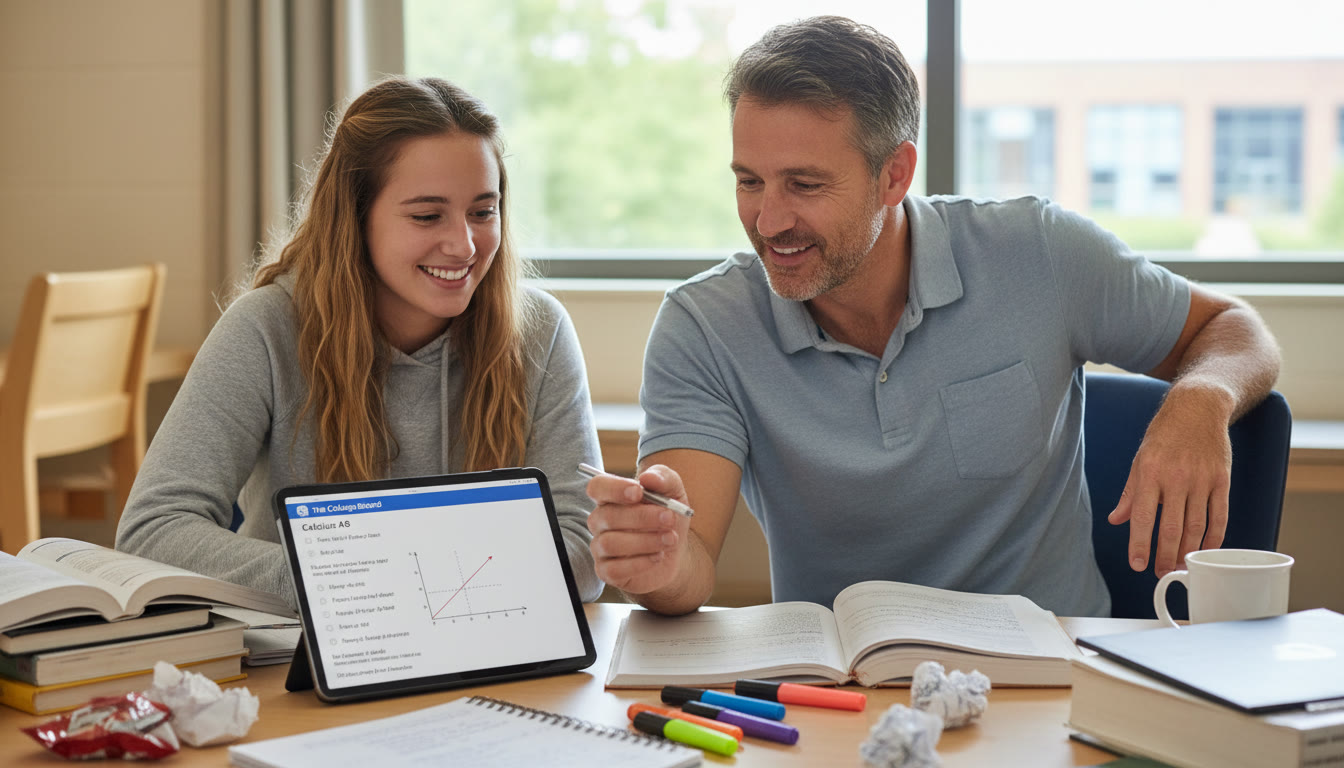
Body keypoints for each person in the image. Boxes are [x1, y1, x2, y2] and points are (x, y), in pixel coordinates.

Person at [585, 16, 1280, 617]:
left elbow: (1234, 329)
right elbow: (692, 560)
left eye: (804, 184)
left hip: (1051, 685)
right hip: (842, 696)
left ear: (895, 174)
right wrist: (662, 563)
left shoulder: (1039, 252)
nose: (768, 220)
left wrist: (1201, 396)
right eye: (748, 181)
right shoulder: (704, 324)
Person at [117, 77, 603, 609]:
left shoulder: (539, 331)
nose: (465, 244)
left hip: (489, 654)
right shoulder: (264, 329)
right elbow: (152, 531)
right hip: (304, 659)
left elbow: (582, 549)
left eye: (483, 212)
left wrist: (408, 582)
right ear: (353, 218)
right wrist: (363, 583)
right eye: (426, 215)